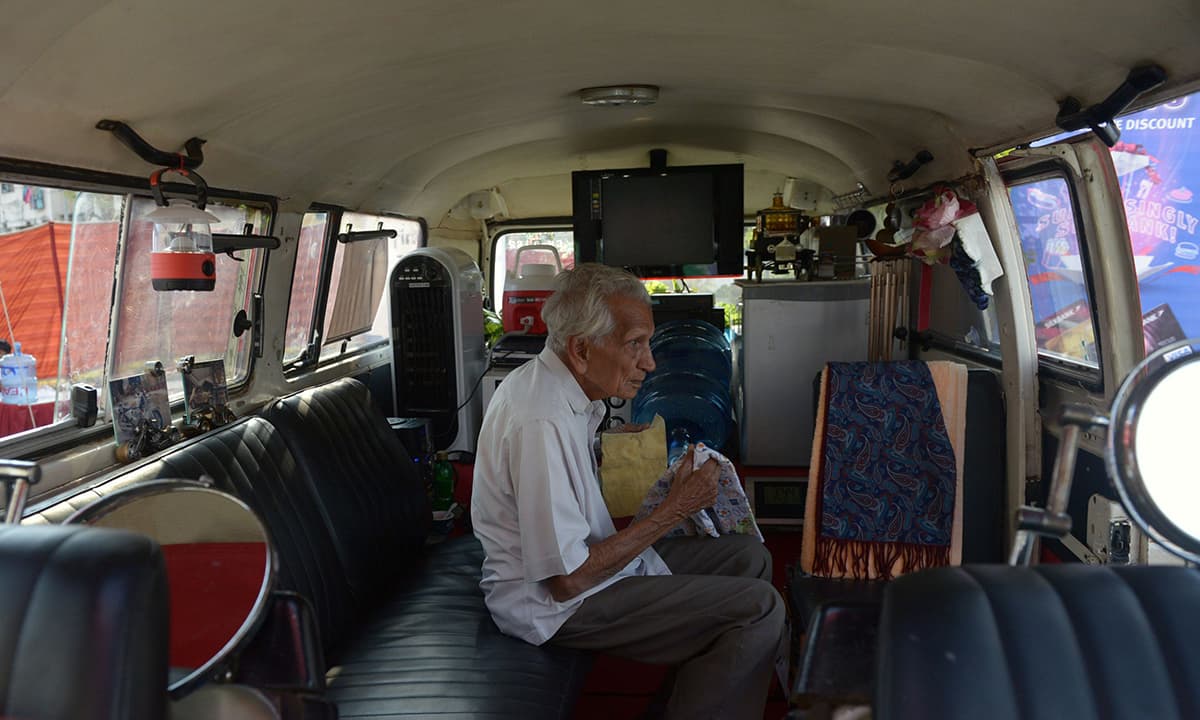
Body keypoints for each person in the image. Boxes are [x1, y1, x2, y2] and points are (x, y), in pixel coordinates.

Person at [472, 263, 785, 720]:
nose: (650, 362)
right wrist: (677, 508)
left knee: (749, 558)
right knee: (758, 610)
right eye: (634, 344)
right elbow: (567, 581)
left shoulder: (564, 392)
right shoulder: (541, 420)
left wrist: (612, 450)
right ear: (581, 349)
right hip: (555, 606)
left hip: (587, 567)